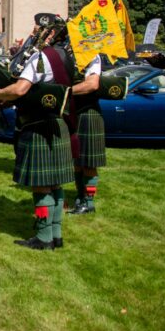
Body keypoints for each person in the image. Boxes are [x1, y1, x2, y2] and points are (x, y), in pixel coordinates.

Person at [0, 15, 74, 250]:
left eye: (39, 31)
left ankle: (44, 237)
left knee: (42, 185)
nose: (34, 34)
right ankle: (55, 234)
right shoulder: (66, 55)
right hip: (57, 123)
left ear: (49, 34)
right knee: (56, 184)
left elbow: (20, 88)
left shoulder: (42, 56)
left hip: (37, 124)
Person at [69, 54, 105, 215]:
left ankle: (88, 202)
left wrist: (64, 91)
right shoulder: (71, 56)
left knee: (89, 163)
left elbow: (91, 85)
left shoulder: (92, 57)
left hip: (89, 113)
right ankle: (80, 196)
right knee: (77, 160)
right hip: (74, 112)